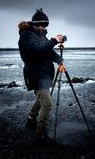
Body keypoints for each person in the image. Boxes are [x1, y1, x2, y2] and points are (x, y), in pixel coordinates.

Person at [18, 8, 64, 140]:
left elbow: (48, 52)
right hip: (35, 75)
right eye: (40, 25)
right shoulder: (26, 36)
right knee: (48, 103)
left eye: (45, 25)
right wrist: (54, 41)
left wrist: (59, 60)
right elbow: (38, 50)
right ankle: (41, 133)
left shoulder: (41, 36)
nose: (43, 27)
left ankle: (31, 119)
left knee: (41, 99)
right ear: (34, 24)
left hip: (45, 74)